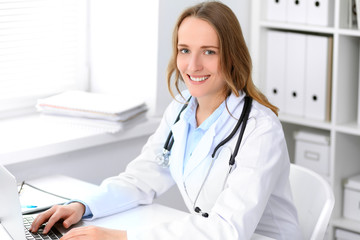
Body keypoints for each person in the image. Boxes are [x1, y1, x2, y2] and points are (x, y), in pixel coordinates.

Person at [30, 1, 303, 239]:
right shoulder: (182, 108)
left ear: (231, 56)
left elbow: (226, 229)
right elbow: (140, 179)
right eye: (184, 50)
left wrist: (121, 237)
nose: (193, 65)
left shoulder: (260, 129)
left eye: (209, 51)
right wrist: (82, 206)